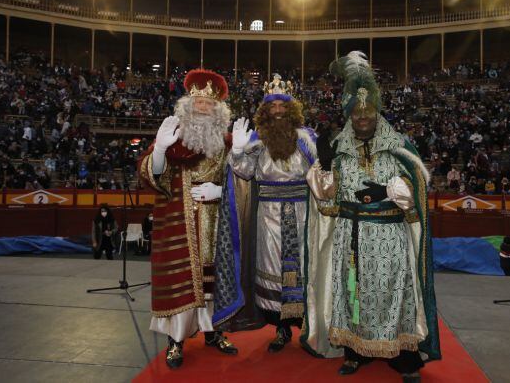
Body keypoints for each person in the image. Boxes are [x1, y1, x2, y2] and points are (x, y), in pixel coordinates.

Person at [307, 52, 440, 380]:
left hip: (389, 235)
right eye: (356, 111)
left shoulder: (398, 144)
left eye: (368, 111)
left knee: (394, 293)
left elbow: (418, 184)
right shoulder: (338, 147)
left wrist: (387, 191)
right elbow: (326, 197)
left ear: (377, 110)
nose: (363, 117)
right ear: (349, 113)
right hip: (349, 234)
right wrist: (324, 165)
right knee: (353, 293)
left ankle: (404, 355)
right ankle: (355, 352)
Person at [138, 69, 238, 369]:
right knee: (181, 281)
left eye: (209, 104)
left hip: (218, 220)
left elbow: (241, 182)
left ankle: (213, 331)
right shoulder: (172, 136)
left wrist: (221, 190)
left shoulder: (228, 142)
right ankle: (176, 341)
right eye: (197, 103)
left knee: (216, 280)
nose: (202, 108)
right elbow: (153, 174)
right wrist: (160, 151)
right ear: (187, 105)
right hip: (180, 222)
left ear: (218, 109)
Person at [219, 74, 317, 353]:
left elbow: (319, 175)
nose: (277, 109)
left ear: (291, 109)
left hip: (302, 212)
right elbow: (244, 172)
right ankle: (282, 329)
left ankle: (308, 327)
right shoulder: (256, 139)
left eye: (282, 105)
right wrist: (237, 152)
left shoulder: (306, 138)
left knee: (304, 268)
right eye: (272, 105)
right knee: (272, 268)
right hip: (268, 215)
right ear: (264, 109)